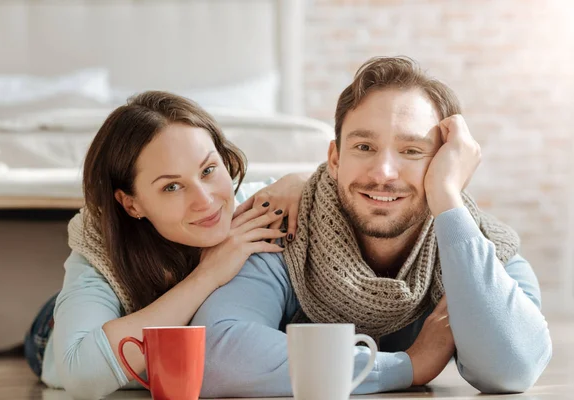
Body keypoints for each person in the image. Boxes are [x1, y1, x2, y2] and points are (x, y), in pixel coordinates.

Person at [191, 56, 553, 397]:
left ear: (446, 163)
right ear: (335, 159)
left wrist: (446, 196)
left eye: (412, 151)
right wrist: (407, 366)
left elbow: (511, 368)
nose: (383, 173)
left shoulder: (483, 247)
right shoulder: (281, 229)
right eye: (364, 146)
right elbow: (215, 353)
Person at [23, 91, 309, 399]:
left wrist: (301, 180)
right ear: (131, 204)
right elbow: (81, 373)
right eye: (172, 186)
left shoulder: (252, 208)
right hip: (54, 332)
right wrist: (207, 275)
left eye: (209, 170)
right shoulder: (99, 250)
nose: (206, 200)